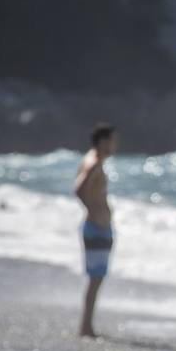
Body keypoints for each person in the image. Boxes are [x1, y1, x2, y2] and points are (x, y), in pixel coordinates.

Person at [74, 123, 117, 339]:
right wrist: (93, 211)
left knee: (97, 279)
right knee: (95, 279)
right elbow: (78, 188)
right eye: (112, 140)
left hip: (97, 226)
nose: (115, 144)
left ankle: (87, 326)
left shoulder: (91, 160)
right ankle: (86, 327)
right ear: (102, 141)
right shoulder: (94, 162)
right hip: (96, 227)